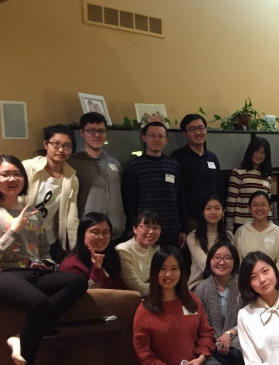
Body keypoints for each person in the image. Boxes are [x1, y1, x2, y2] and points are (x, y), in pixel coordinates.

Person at [0, 155, 87, 365]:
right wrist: (13, 230)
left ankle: (20, 336)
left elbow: (44, 251)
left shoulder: (33, 212)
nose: (12, 179)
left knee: (77, 281)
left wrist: (47, 264)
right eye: (5, 174)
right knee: (37, 302)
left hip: (31, 272)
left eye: (16, 174)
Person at [132, 246, 238, 365]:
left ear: (181, 271)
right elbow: (143, 354)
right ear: (154, 272)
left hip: (200, 363)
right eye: (163, 269)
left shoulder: (191, 300)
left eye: (174, 268)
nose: (168, 274)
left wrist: (201, 357)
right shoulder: (145, 310)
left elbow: (206, 332)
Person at [122, 122, 187, 247]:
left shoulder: (174, 164)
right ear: (144, 138)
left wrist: (183, 228)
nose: (156, 139)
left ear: (166, 140)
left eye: (160, 136)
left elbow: (180, 198)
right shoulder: (134, 166)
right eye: (152, 135)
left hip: (171, 228)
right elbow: (130, 202)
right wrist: (133, 228)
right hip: (145, 230)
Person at [22, 124, 80, 261]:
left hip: (49, 242)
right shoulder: (28, 168)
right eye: (56, 144)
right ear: (45, 144)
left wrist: (75, 250)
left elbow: (72, 217)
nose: (61, 150)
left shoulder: (71, 178)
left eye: (67, 146)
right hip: (23, 239)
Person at [70, 112, 126, 240]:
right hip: (88, 233)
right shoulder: (73, 163)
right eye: (91, 131)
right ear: (82, 132)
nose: (97, 135)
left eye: (101, 131)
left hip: (115, 232)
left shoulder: (114, 163)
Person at [194, 241, 244, 365]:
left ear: (234, 261)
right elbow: (198, 324)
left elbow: (252, 316)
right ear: (210, 260)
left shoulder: (243, 285)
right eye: (217, 257)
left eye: (227, 258)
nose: (221, 262)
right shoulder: (201, 288)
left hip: (242, 342)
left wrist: (230, 334)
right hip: (211, 346)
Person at [171, 114, 224, 232]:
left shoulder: (212, 157)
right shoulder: (178, 157)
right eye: (192, 129)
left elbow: (219, 186)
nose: (198, 132)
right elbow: (176, 191)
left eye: (201, 128)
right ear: (184, 133)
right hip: (190, 218)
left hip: (212, 216)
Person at [59, 212, 123, 289]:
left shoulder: (109, 256)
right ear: (82, 234)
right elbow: (88, 295)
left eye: (106, 233)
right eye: (95, 232)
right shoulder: (71, 265)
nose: (101, 237)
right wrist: (97, 268)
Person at [185, 196, 234, 290]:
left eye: (217, 208)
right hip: (198, 285)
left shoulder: (229, 236)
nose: (213, 212)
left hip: (225, 285)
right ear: (202, 212)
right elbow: (205, 264)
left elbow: (232, 262)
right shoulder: (193, 237)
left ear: (223, 211)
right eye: (208, 208)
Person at [233, 192, 279, 275]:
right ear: (249, 208)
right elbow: (238, 261)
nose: (260, 208)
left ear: (270, 207)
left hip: (272, 279)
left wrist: (271, 277)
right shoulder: (241, 232)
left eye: (263, 205)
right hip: (247, 279)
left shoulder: (278, 232)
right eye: (255, 205)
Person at [225, 136, 272, 230]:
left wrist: (270, 224)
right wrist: (229, 225)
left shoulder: (267, 177)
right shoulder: (238, 173)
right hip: (241, 224)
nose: (259, 155)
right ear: (250, 152)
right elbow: (231, 201)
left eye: (263, 153)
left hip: (261, 223)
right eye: (256, 151)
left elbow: (268, 204)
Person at [116, 211, 161, 296]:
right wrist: (161, 287)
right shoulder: (123, 250)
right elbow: (139, 289)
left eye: (155, 228)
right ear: (135, 229)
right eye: (146, 227)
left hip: (148, 297)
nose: (151, 231)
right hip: (126, 298)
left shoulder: (155, 249)